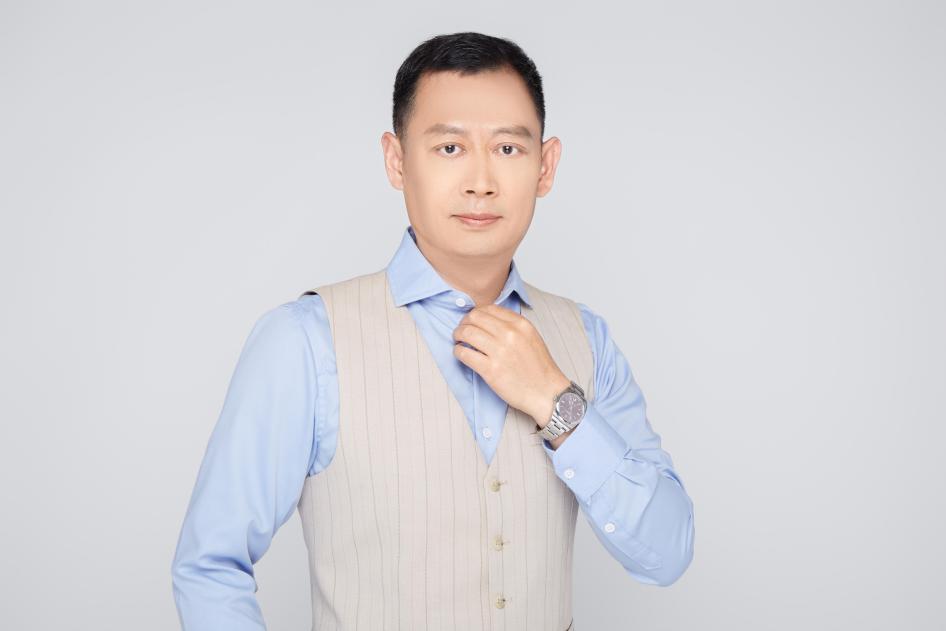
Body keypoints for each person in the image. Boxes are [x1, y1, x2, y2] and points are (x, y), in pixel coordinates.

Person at [171, 31, 694, 631]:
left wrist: (557, 403)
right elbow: (210, 565)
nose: (480, 181)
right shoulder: (306, 340)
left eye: (508, 148)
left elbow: (667, 553)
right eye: (449, 148)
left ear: (545, 167)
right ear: (397, 161)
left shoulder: (586, 338)